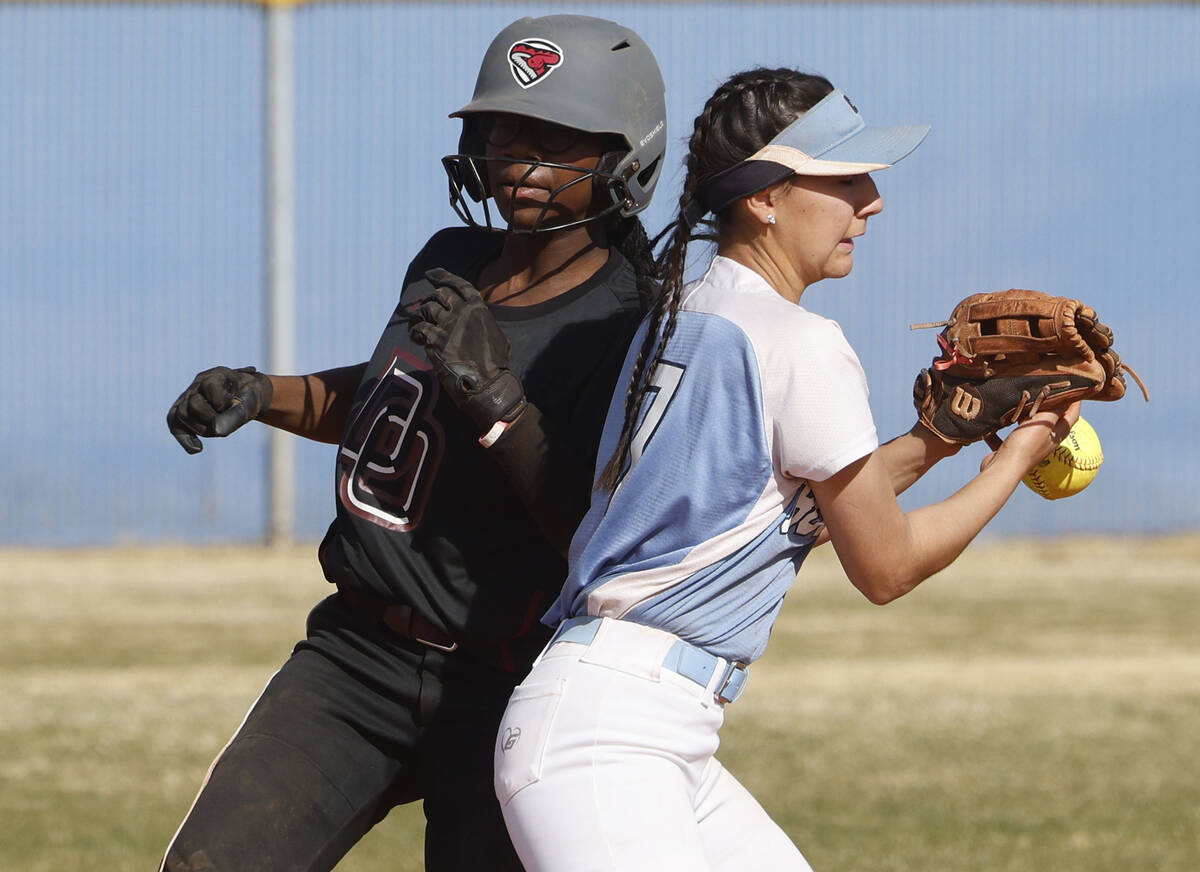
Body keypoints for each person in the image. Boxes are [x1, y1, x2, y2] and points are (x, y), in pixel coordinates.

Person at [492, 68, 1081, 872]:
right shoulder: (801, 345)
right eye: (844, 179)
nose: (870, 203)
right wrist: (1018, 454)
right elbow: (886, 565)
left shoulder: (689, 309)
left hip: (634, 722)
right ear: (765, 198)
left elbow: (769, 507)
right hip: (609, 740)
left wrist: (935, 439)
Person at [159, 15, 666, 872]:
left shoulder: (629, 323)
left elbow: (594, 534)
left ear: (625, 156)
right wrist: (267, 394)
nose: (518, 158)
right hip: (355, 658)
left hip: (509, 683)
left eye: (554, 136)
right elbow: (394, 402)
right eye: (504, 130)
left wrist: (496, 398)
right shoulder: (450, 259)